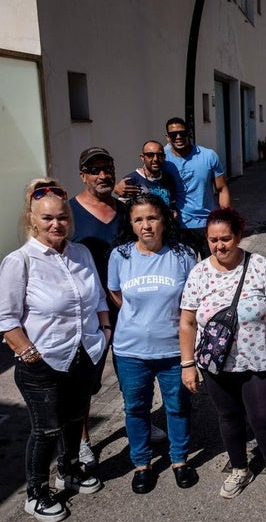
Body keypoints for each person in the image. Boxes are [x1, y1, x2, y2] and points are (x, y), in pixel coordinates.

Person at [0, 179, 108, 522]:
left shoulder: (81, 253)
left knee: (76, 419)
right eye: (47, 218)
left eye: (61, 217)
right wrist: (30, 354)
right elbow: (6, 318)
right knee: (45, 429)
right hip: (42, 360)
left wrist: (104, 331)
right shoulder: (20, 261)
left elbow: (100, 298)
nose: (56, 224)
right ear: (32, 219)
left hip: (84, 353)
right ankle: (37, 492)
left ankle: (70, 469)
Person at [178, 207, 266, 506]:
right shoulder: (199, 273)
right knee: (228, 417)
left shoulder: (259, 265)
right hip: (216, 364)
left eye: (226, 239)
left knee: (263, 419)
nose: (220, 246)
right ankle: (240, 468)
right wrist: (188, 364)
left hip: (258, 360)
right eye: (213, 240)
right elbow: (188, 322)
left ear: (239, 236)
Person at [107, 194, 198, 494]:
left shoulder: (183, 254)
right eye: (139, 219)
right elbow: (116, 294)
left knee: (177, 406)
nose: (146, 225)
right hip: (130, 351)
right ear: (131, 224)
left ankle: (179, 460)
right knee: (135, 408)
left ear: (164, 219)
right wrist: (141, 319)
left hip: (174, 350)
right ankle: (142, 464)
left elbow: (192, 301)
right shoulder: (120, 256)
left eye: (152, 218)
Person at [69, 146, 127, 467]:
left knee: (131, 369)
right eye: (94, 170)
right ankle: (82, 440)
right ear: (83, 175)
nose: (103, 175)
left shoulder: (123, 211)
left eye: (107, 168)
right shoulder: (70, 212)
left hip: (122, 305)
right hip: (88, 310)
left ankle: (138, 423)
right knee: (86, 378)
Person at [164, 117, 231, 258]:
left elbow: (222, 188)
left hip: (208, 224)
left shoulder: (208, 156)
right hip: (179, 226)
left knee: (215, 267)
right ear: (167, 137)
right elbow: (145, 175)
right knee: (185, 272)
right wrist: (119, 186)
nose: (178, 137)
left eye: (182, 133)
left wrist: (225, 218)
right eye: (173, 134)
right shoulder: (162, 158)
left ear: (189, 133)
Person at [114, 140, 177, 212]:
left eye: (159, 155)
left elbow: (172, 205)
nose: (155, 159)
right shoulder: (131, 180)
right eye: (150, 155)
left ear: (164, 157)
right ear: (142, 157)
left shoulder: (168, 179)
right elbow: (123, 210)